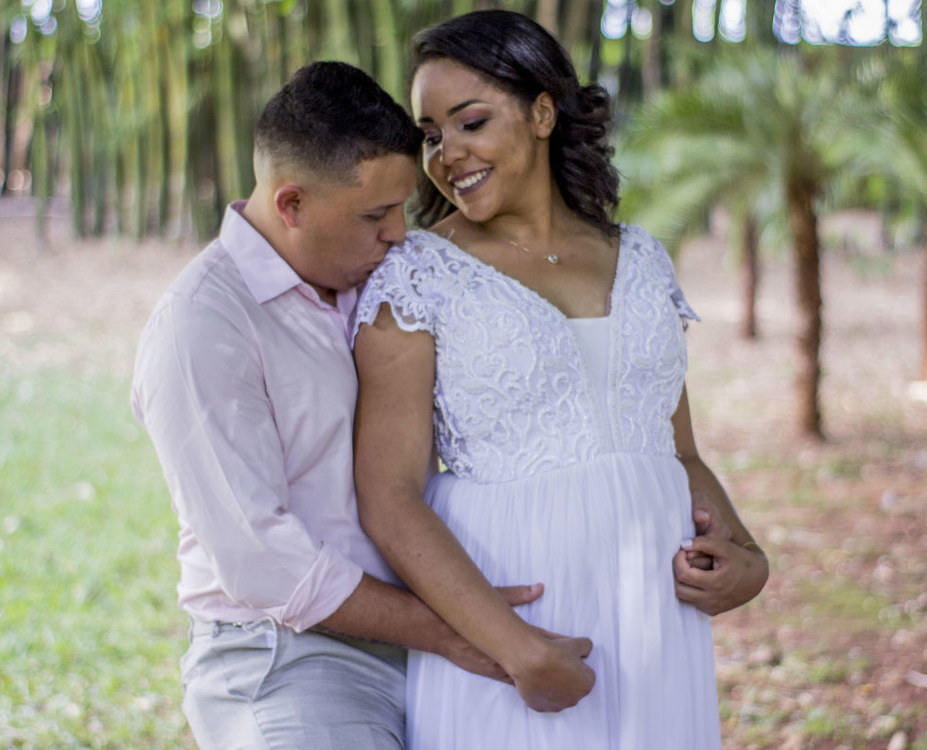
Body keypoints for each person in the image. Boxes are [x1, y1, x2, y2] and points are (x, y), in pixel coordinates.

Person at [351, 11, 769, 749]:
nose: (448, 154)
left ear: (543, 113)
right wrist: (515, 647)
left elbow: (678, 452)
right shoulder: (416, 276)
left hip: (654, 626)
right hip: (516, 628)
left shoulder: (641, 258)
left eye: (471, 122)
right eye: (431, 135)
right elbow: (388, 496)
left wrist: (749, 560)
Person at [131, 61, 552, 750]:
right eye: (376, 215)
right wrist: (457, 630)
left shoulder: (383, 283)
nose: (398, 234)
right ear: (291, 204)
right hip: (290, 656)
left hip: (430, 638)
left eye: (402, 209)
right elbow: (262, 561)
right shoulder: (201, 326)